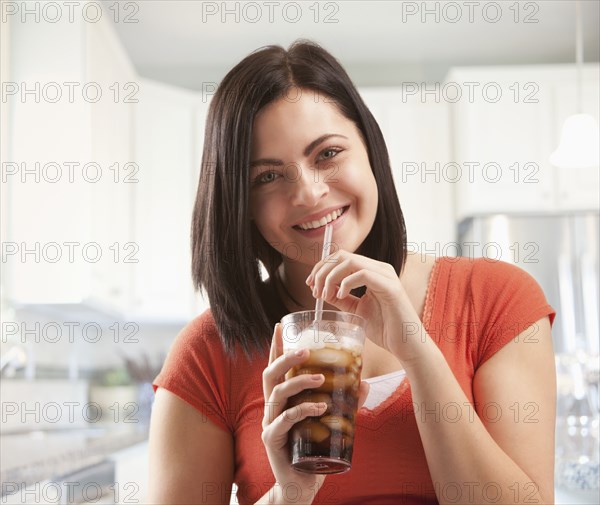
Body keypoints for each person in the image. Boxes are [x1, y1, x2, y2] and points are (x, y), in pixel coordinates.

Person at [148, 40, 557, 505]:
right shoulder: (206, 355)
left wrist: (419, 354)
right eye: (267, 176)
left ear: (370, 151)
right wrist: (288, 495)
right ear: (241, 205)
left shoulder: (497, 300)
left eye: (327, 154)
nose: (309, 193)